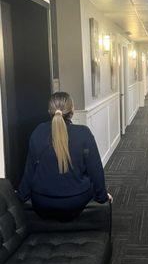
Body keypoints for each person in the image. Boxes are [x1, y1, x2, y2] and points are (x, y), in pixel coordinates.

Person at [18, 91, 112, 221]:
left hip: (42, 202)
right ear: (72, 110)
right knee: (89, 180)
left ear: (49, 111)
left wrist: (21, 196)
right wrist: (103, 197)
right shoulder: (83, 133)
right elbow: (95, 170)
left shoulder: (38, 132)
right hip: (75, 201)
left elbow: (29, 171)